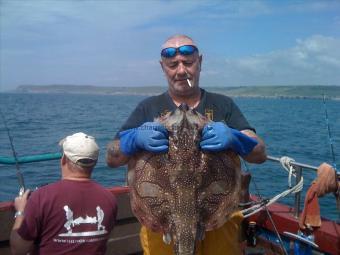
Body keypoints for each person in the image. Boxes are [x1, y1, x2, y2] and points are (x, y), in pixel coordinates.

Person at [106, 34, 267, 255]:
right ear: (163, 67)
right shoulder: (147, 108)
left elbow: (259, 154)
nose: (181, 71)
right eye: (173, 65)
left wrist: (236, 138)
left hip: (217, 220)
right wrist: (131, 141)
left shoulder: (223, 105)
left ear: (200, 62)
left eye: (188, 63)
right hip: (163, 223)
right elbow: (111, 158)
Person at [11, 132, 118, 255]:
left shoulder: (41, 197)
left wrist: (20, 212)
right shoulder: (110, 199)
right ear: (94, 162)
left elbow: (18, 249)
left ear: (64, 159)